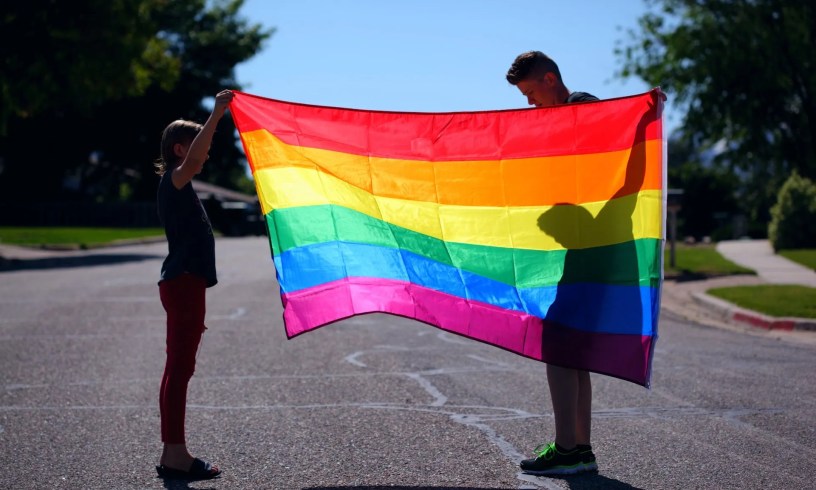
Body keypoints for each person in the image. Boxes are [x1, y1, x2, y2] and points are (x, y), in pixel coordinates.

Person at [505, 51, 599, 476]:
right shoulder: (566, 116)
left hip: (593, 246)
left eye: (530, 93)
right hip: (585, 246)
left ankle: (567, 449)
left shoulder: (580, 108)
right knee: (573, 349)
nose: (529, 104)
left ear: (549, 78)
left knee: (559, 344)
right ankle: (579, 449)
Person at [153, 89, 234, 480]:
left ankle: (174, 452)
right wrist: (217, 114)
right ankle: (176, 457)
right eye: (197, 143)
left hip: (184, 282)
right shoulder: (176, 178)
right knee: (180, 369)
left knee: (177, 369)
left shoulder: (179, 184)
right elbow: (200, 154)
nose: (205, 153)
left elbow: (201, 153)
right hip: (183, 283)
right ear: (180, 149)